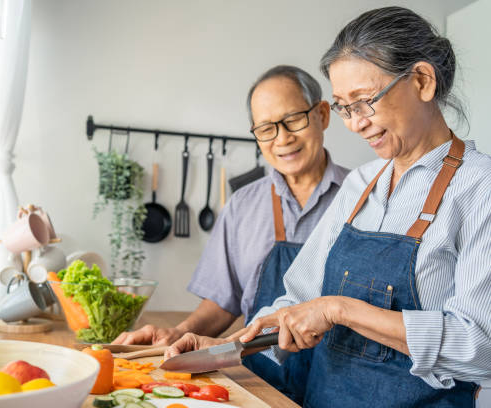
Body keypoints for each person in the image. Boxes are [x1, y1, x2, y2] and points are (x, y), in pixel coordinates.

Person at [166, 6, 491, 407]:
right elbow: (298, 302)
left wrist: (341, 309)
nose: (355, 123)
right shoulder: (359, 186)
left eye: (363, 101)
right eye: (344, 106)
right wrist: (224, 346)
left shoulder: (480, 189)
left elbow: (481, 346)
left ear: (422, 81)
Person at [113, 65, 349, 398]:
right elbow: (224, 303)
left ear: (323, 114)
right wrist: (176, 334)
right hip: (256, 383)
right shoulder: (242, 206)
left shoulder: (364, 199)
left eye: (294, 119)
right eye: (266, 128)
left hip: (339, 387)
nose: (282, 138)